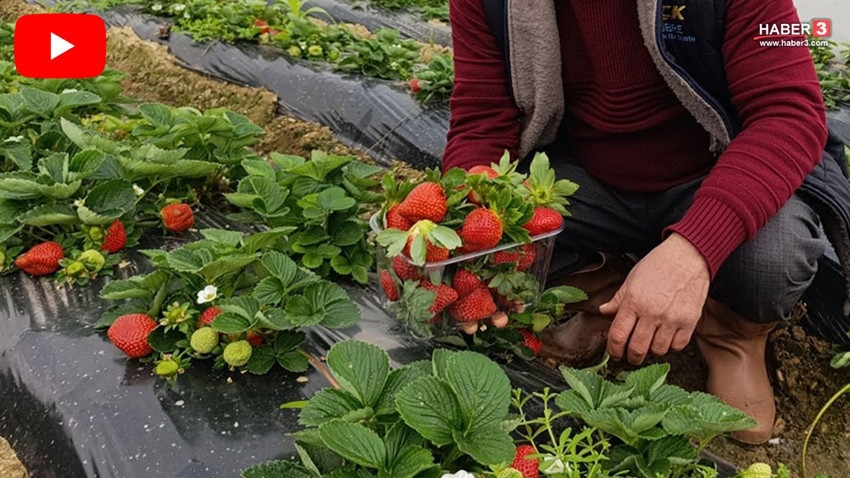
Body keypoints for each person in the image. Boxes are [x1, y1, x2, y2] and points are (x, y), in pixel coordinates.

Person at [442, 0, 850, 445]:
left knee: (771, 258)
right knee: (510, 228)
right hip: (587, 178)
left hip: (716, 169)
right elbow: (482, 121)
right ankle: (605, 295)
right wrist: (470, 223)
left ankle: (731, 335)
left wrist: (695, 249)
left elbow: (787, 112)